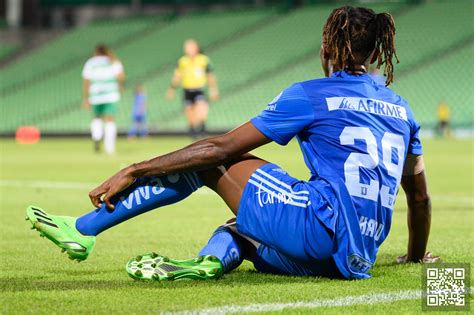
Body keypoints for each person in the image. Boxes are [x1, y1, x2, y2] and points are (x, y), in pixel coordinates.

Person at [27, 6, 439, 281]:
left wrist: (135, 168)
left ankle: (83, 229)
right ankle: (209, 260)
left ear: (330, 45)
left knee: (210, 161)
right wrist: (416, 256)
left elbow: (220, 149)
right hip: (354, 256)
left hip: (319, 230)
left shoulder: (313, 94)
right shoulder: (401, 109)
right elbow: (418, 198)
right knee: (243, 230)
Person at [166, 39, 219, 139]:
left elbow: (210, 75)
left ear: (196, 48)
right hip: (187, 90)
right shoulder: (182, 61)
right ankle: (193, 132)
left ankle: (202, 129)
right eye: (186, 47)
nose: (188, 49)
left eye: (190, 47)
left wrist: (213, 89)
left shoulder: (203, 60)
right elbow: (177, 76)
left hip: (199, 89)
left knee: (201, 110)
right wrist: (171, 89)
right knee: (189, 112)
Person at [82, 44, 125, 154]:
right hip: (111, 94)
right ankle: (109, 147)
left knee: (97, 118)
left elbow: (86, 81)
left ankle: (97, 137)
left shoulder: (91, 62)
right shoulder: (113, 61)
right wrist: (120, 87)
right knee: (110, 119)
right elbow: (121, 77)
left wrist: (86, 98)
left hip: (96, 95)